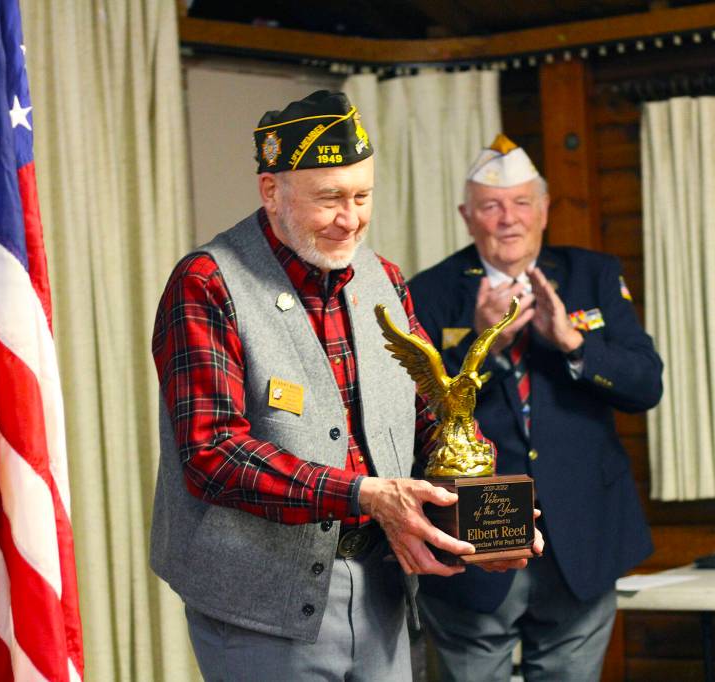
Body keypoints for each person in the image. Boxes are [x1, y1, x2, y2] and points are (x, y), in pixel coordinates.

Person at [149, 92, 540, 681]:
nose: (350, 218)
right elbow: (212, 453)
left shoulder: (383, 278)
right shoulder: (208, 281)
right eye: (329, 198)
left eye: (362, 196)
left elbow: (433, 412)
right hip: (259, 608)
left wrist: (480, 515)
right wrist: (367, 496)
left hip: (384, 589)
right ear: (271, 191)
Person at [409, 134, 663, 681]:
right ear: (467, 216)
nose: (508, 219)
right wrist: (481, 346)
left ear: (544, 210)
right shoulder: (427, 292)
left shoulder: (591, 275)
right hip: (472, 536)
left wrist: (574, 344)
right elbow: (408, 412)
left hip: (580, 531)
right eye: (491, 206)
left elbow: (646, 386)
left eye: (522, 203)